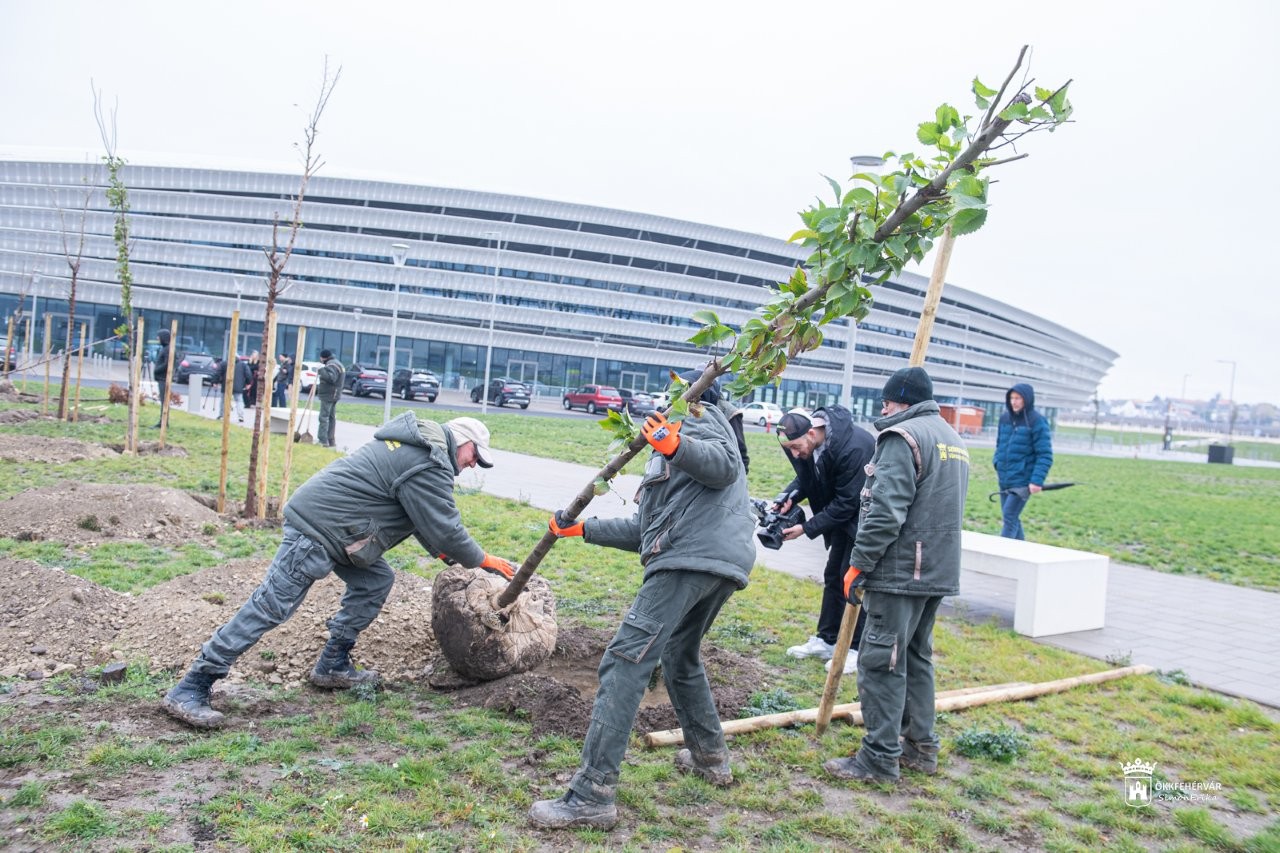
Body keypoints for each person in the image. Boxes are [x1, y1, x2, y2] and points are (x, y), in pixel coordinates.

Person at [161, 415, 516, 729]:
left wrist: (447, 555)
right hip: (319, 530)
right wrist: (483, 559)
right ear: (462, 441)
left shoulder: (419, 449)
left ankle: (332, 663)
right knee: (271, 606)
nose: (473, 465)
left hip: (340, 531)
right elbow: (445, 528)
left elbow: (421, 519)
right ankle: (193, 684)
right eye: (475, 456)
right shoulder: (429, 460)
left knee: (376, 581)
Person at [528, 388, 757, 830]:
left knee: (624, 663)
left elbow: (725, 467)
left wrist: (674, 444)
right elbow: (645, 529)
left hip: (687, 559)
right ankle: (710, 757)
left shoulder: (698, 413)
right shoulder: (673, 450)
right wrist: (583, 529)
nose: (662, 405)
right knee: (679, 655)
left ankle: (592, 795)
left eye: (670, 397)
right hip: (717, 562)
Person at [823, 366, 969, 783]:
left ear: (901, 402)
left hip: (901, 569)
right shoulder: (953, 439)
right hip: (937, 569)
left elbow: (885, 511)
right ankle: (920, 747)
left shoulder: (901, 437)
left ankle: (879, 758)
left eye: (886, 402)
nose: (883, 410)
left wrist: (858, 563)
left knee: (880, 662)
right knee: (915, 657)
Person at [775, 406, 875, 675]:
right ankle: (828, 640)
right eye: (789, 450)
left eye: (796, 447)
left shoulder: (853, 448)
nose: (794, 454)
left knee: (853, 581)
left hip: (864, 520)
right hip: (842, 519)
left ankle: (856, 649)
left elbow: (847, 502)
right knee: (833, 576)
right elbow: (808, 477)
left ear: (811, 433)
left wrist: (806, 528)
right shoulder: (811, 445)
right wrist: (789, 497)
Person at [992, 382, 1054, 540]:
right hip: (1004, 478)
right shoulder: (1004, 418)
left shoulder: (1037, 421)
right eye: (1012, 398)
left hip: (1022, 480)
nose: (1014, 402)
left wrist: (1036, 481)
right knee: (1011, 517)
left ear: (1027, 399)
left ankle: (1002, 552)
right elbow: (999, 444)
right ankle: (1023, 549)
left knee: (1009, 516)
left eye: (1018, 398)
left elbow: (1045, 454)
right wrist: (997, 462)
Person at [315, 349, 344, 448]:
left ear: (323, 357)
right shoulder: (337, 363)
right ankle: (331, 440)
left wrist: (321, 370)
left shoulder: (331, 365)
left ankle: (323, 440)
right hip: (334, 394)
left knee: (324, 417)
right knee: (331, 418)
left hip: (329, 395)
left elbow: (332, 378)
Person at [151, 329, 171, 428]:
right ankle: (163, 421)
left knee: (164, 401)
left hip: (164, 378)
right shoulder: (165, 348)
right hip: (161, 378)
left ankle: (163, 422)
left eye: (159, 337)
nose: (157, 338)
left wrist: (157, 370)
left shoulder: (168, 349)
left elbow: (167, 364)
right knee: (164, 400)